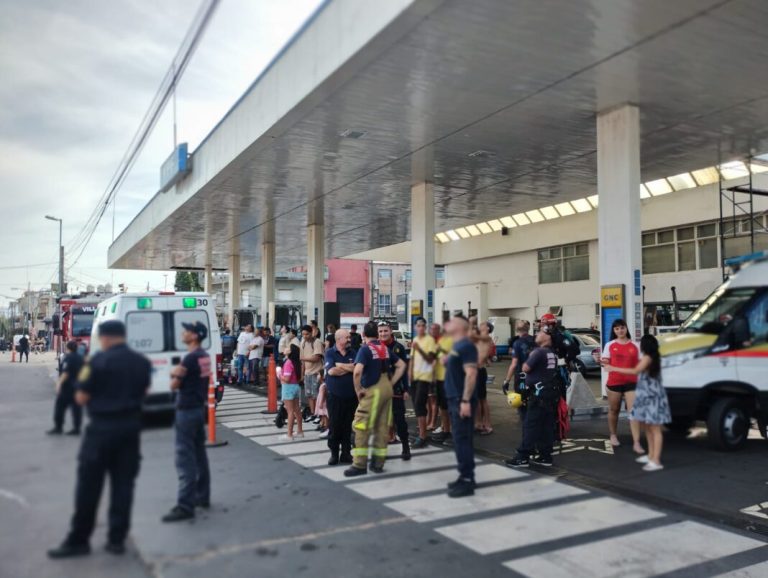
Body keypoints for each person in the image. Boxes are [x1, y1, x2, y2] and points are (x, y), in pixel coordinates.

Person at [47, 321, 151, 558]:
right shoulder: (141, 362)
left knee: (88, 487)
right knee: (123, 486)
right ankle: (116, 540)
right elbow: (144, 392)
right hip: (130, 430)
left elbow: (82, 397)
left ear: (104, 338)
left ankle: (79, 540)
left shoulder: (94, 362)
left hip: (101, 431)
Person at [162, 321, 212, 523]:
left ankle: (185, 505)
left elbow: (174, 384)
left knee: (184, 458)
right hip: (198, 409)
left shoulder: (191, 358)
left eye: (187, 331)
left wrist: (174, 372)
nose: (183, 333)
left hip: (186, 411)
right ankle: (202, 495)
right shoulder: (205, 356)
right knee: (199, 454)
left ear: (195, 336)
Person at [345, 321, 406, 477]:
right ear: (377, 334)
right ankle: (378, 463)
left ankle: (359, 464)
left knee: (361, 425)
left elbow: (357, 372)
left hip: (372, 390)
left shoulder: (365, 349)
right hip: (386, 388)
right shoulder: (384, 348)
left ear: (364, 335)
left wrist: (358, 390)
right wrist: (391, 383)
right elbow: (401, 365)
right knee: (382, 426)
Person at [605, 335, 670, 472]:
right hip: (648, 395)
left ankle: (656, 460)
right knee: (647, 427)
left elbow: (635, 371)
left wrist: (614, 368)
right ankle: (651, 456)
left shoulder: (647, 358)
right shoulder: (654, 357)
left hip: (651, 397)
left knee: (654, 429)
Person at [506, 325, 560, 468]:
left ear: (548, 336)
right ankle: (545, 456)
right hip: (549, 393)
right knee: (546, 426)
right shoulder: (552, 353)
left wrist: (529, 357)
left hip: (538, 394)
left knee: (531, 424)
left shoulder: (539, 352)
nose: (537, 333)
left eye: (541, 332)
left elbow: (525, 368)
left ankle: (523, 457)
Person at [443, 315, 479, 498]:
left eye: (452, 322)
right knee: (460, 440)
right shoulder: (456, 346)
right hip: (453, 398)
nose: (447, 324)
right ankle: (465, 476)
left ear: (460, 327)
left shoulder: (466, 346)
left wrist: (465, 401)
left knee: (463, 440)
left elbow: (471, 374)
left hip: (460, 400)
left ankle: (467, 480)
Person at [601, 319, 644, 454]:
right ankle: (613, 435)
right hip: (615, 382)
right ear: (614, 331)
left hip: (632, 382)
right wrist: (602, 362)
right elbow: (605, 362)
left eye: (622, 328)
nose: (620, 330)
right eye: (617, 329)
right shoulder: (609, 345)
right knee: (614, 410)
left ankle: (636, 441)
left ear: (626, 329)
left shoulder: (636, 345)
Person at [324, 329, 357, 465]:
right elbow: (331, 371)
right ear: (338, 340)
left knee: (347, 426)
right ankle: (334, 454)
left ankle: (346, 453)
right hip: (335, 398)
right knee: (335, 426)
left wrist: (340, 365)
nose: (349, 339)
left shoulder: (353, 352)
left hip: (351, 397)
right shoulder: (330, 353)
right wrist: (348, 368)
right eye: (347, 337)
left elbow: (356, 368)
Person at [379, 321, 411, 460]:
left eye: (385, 331)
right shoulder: (375, 348)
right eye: (380, 331)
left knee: (400, 421)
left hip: (396, 390)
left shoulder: (398, 348)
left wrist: (406, 389)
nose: (383, 334)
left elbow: (404, 370)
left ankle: (405, 447)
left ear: (391, 331)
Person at [409, 317, 437, 448]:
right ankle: (422, 432)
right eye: (418, 325)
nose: (420, 328)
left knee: (420, 404)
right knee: (416, 405)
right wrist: (409, 374)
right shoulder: (415, 340)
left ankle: (423, 436)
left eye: (422, 326)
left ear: (425, 327)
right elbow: (413, 358)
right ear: (415, 327)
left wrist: (419, 348)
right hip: (415, 376)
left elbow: (430, 359)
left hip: (425, 377)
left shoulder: (429, 340)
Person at [47, 340, 84, 436]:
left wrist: (59, 383)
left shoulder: (68, 358)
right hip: (78, 386)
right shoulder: (80, 358)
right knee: (76, 409)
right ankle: (77, 428)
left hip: (68, 387)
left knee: (60, 407)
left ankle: (58, 427)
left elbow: (66, 373)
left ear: (68, 348)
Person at [502, 320, 536, 419]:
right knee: (535, 400)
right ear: (528, 329)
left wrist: (506, 381)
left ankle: (526, 422)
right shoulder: (536, 340)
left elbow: (514, 364)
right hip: (536, 377)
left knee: (521, 402)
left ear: (516, 330)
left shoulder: (517, 343)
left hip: (522, 378)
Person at [431, 323, 453, 443]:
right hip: (440, 379)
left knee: (452, 407)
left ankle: (455, 433)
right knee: (442, 406)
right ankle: (446, 431)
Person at [473, 320, 495, 436]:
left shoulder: (487, 339)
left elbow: (484, 356)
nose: (480, 326)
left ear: (487, 328)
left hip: (479, 371)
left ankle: (487, 425)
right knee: (477, 399)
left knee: (482, 399)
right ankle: (478, 423)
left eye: (482, 325)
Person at [279, 343, 304, 441]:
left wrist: (279, 375)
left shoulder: (288, 362)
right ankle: (300, 431)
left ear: (290, 352)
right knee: (297, 410)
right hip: (296, 387)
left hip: (288, 387)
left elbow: (287, 378)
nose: (286, 348)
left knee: (290, 411)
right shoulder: (298, 362)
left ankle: (289, 434)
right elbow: (300, 377)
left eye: (288, 348)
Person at [300, 325, 324, 423]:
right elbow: (303, 362)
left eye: (307, 334)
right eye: (303, 334)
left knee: (317, 395)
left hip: (316, 373)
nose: (305, 336)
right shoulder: (303, 342)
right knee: (309, 395)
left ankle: (319, 414)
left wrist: (304, 359)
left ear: (311, 333)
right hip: (307, 373)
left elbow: (317, 358)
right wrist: (302, 374)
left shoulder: (317, 342)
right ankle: (313, 413)